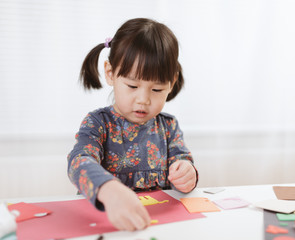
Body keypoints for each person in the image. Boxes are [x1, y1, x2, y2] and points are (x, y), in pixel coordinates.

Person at [67, 18, 198, 231]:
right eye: (132, 85)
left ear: (171, 83)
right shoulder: (98, 123)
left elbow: (181, 160)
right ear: (110, 73)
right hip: (107, 224)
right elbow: (78, 161)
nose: (143, 99)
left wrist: (187, 173)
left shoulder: (169, 126)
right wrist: (107, 189)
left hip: (157, 226)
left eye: (156, 90)